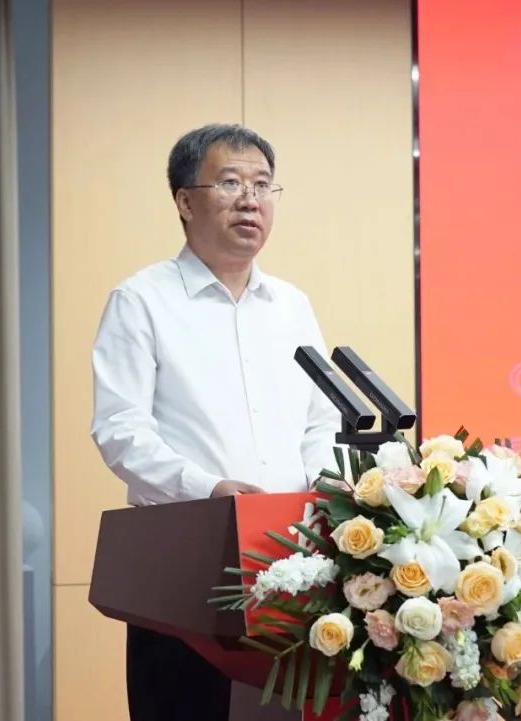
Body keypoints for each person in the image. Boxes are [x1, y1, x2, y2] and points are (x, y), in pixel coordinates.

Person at [90, 123, 341, 721]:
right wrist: (208, 490)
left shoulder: (292, 306)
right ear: (185, 200)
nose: (250, 199)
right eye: (230, 183)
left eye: (263, 185)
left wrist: (324, 488)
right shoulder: (142, 300)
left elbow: (321, 420)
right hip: (186, 565)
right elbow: (121, 428)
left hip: (293, 558)